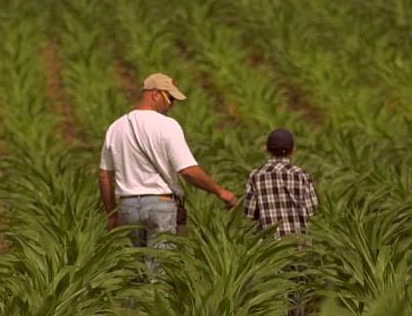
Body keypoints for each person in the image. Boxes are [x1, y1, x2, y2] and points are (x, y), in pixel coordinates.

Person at [98, 73, 237, 274]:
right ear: (155, 94)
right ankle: (156, 305)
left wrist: (111, 214)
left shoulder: (116, 127)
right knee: (159, 273)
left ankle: (134, 306)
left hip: (127, 207)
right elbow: (188, 170)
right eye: (170, 98)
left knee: (133, 275)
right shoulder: (167, 126)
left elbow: (104, 175)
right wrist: (219, 191)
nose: (172, 105)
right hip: (160, 205)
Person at [244, 128, 318, 316]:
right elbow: (311, 209)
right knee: (297, 290)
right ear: (293, 150)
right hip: (297, 243)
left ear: (267, 149)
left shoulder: (256, 175)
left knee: (275, 294)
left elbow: (250, 212)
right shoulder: (302, 175)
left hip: (270, 245)